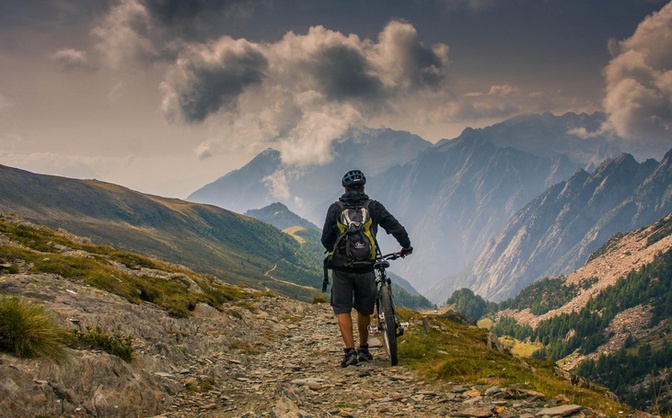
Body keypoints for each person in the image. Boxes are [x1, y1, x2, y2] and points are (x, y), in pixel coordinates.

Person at [321, 169, 412, 367]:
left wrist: (335, 251)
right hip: (366, 268)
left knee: (343, 309)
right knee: (364, 310)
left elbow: (325, 239)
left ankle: (349, 352)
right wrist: (406, 246)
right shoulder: (374, 207)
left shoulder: (335, 208)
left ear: (344, 188)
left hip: (342, 268)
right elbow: (396, 227)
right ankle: (363, 349)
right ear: (363, 187)